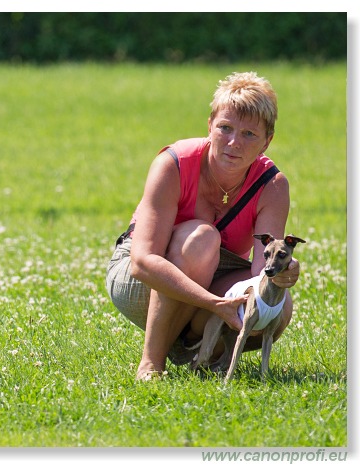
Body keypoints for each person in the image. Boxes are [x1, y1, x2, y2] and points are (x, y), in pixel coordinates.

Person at [105, 71, 300, 381]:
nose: (234, 142)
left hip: (212, 275)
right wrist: (213, 303)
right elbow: (142, 262)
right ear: (210, 126)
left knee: (281, 303)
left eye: (249, 134)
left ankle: (201, 355)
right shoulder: (174, 162)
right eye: (225, 128)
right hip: (139, 280)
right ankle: (151, 364)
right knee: (202, 239)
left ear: (267, 141)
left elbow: (261, 273)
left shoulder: (272, 184)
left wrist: (285, 273)